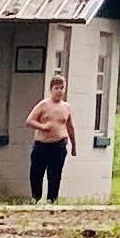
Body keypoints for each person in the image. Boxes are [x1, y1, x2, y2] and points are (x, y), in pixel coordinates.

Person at [25, 74, 76, 202]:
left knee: (55, 174)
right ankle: (35, 197)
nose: (59, 91)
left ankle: (51, 199)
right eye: (56, 88)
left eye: (62, 88)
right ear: (51, 89)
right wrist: (42, 126)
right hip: (42, 145)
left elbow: (70, 127)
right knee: (36, 173)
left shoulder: (66, 107)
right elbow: (29, 121)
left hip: (58, 145)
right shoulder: (43, 105)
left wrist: (74, 145)